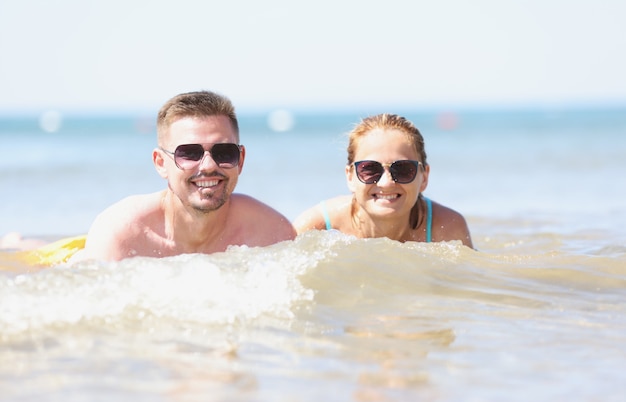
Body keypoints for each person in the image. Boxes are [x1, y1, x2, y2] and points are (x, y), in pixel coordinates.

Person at [62, 90, 295, 263]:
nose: (208, 165)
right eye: (190, 153)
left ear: (240, 160)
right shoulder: (123, 234)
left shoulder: (272, 235)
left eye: (224, 152)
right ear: (161, 163)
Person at [293, 113, 473, 248]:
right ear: (350, 177)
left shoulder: (447, 230)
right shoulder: (317, 226)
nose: (386, 183)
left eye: (403, 169)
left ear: (424, 177)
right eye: (370, 169)